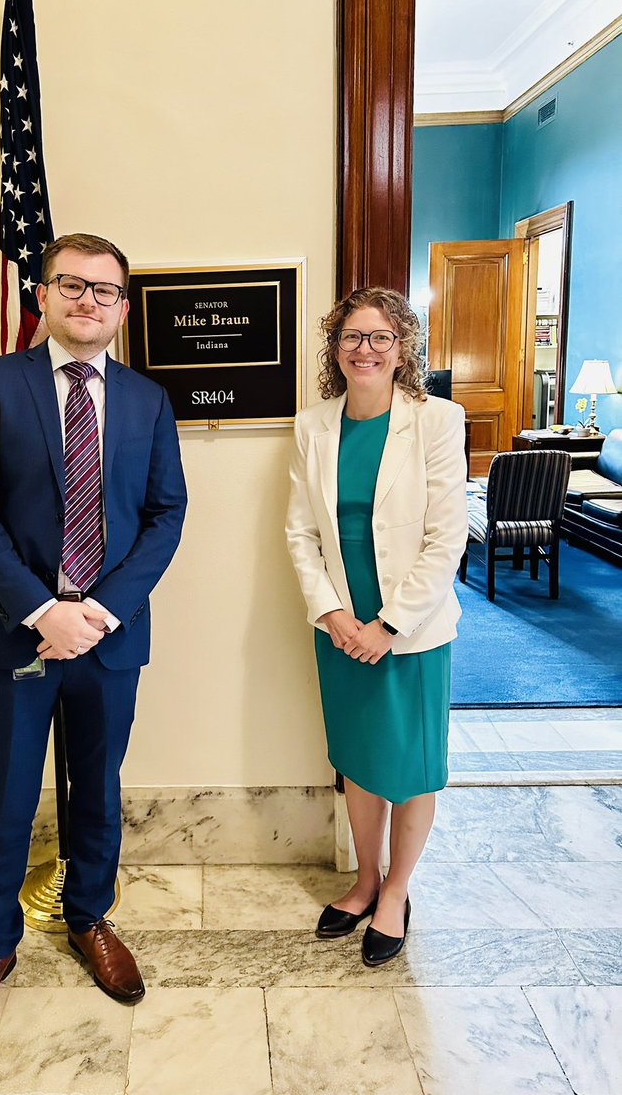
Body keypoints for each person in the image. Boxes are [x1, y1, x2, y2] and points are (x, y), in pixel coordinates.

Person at [0, 232, 187, 1046]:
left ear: (122, 308)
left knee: (98, 786)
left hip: (109, 638)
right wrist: (44, 612)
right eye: (73, 285)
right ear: (42, 295)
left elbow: (165, 514)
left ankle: (90, 918)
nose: (89, 301)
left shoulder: (149, 400)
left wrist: (99, 612)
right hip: (17, 634)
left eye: (106, 291)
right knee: (7, 791)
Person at [286, 286, 467, 966]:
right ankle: (363, 880)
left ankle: (397, 890)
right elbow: (300, 533)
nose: (365, 350)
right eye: (352, 337)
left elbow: (446, 540)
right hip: (339, 626)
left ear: (402, 349)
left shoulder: (439, 421)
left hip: (411, 631)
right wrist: (334, 614)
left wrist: (387, 626)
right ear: (335, 348)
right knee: (359, 763)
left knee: (412, 767)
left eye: (380, 337)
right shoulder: (314, 426)